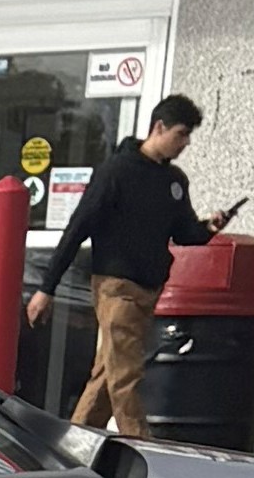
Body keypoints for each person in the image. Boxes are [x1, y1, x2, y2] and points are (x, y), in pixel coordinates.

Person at [38, 91, 242, 449]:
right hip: (116, 286)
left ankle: (70, 448)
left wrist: (211, 226)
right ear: (158, 127)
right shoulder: (116, 172)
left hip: (149, 288)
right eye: (180, 134)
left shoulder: (174, 181)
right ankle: (143, 449)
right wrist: (47, 287)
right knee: (126, 376)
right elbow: (78, 228)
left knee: (107, 374)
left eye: (189, 136)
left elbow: (185, 234)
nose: (185, 143)